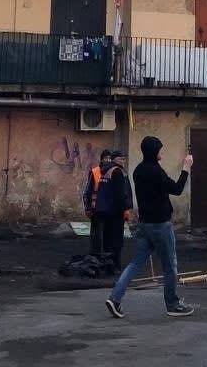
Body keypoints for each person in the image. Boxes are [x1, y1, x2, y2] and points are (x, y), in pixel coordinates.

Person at [105, 137, 195, 319]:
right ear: (154, 151)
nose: (163, 151)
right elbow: (177, 189)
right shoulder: (156, 172)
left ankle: (115, 298)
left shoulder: (138, 170)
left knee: (135, 263)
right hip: (160, 225)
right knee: (170, 266)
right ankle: (173, 304)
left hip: (144, 224)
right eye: (160, 149)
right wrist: (186, 167)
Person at [96, 150, 133, 270]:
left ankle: (107, 264)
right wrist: (126, 209)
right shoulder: (117, 171)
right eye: (121, 158)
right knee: (116, 241)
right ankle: (114, 266)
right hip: (116, 211)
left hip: (106, 210)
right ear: (114, 159)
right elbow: (121, 193)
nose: (123, 161)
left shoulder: (105, 170)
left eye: (124, 158)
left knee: (107, 239)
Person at [83, 150, 113, 257]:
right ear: (101, 159)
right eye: (106, 158)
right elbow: (88, 191)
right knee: (96, 235)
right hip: (97, 208)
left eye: (110, 158)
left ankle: (106, 257)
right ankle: (95, 257)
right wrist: (88, 207)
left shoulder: (114, 172)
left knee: (108, 235)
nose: (108, 160)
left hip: (109, 209)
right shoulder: (95, 172)